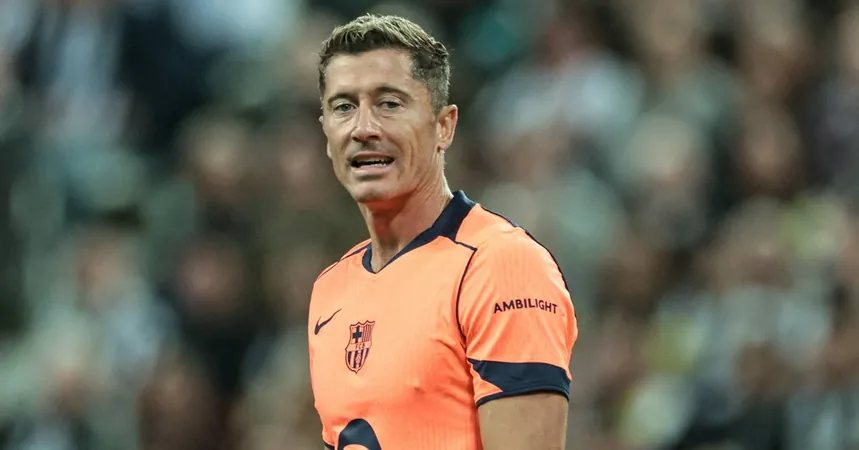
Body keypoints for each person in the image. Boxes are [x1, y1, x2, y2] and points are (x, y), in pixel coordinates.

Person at [308, 13, 578, 450]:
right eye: (343, 107)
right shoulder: (330, 290)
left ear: (444, 126)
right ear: (326, 132)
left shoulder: (500, 265)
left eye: (389, 104)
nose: (363, 128)